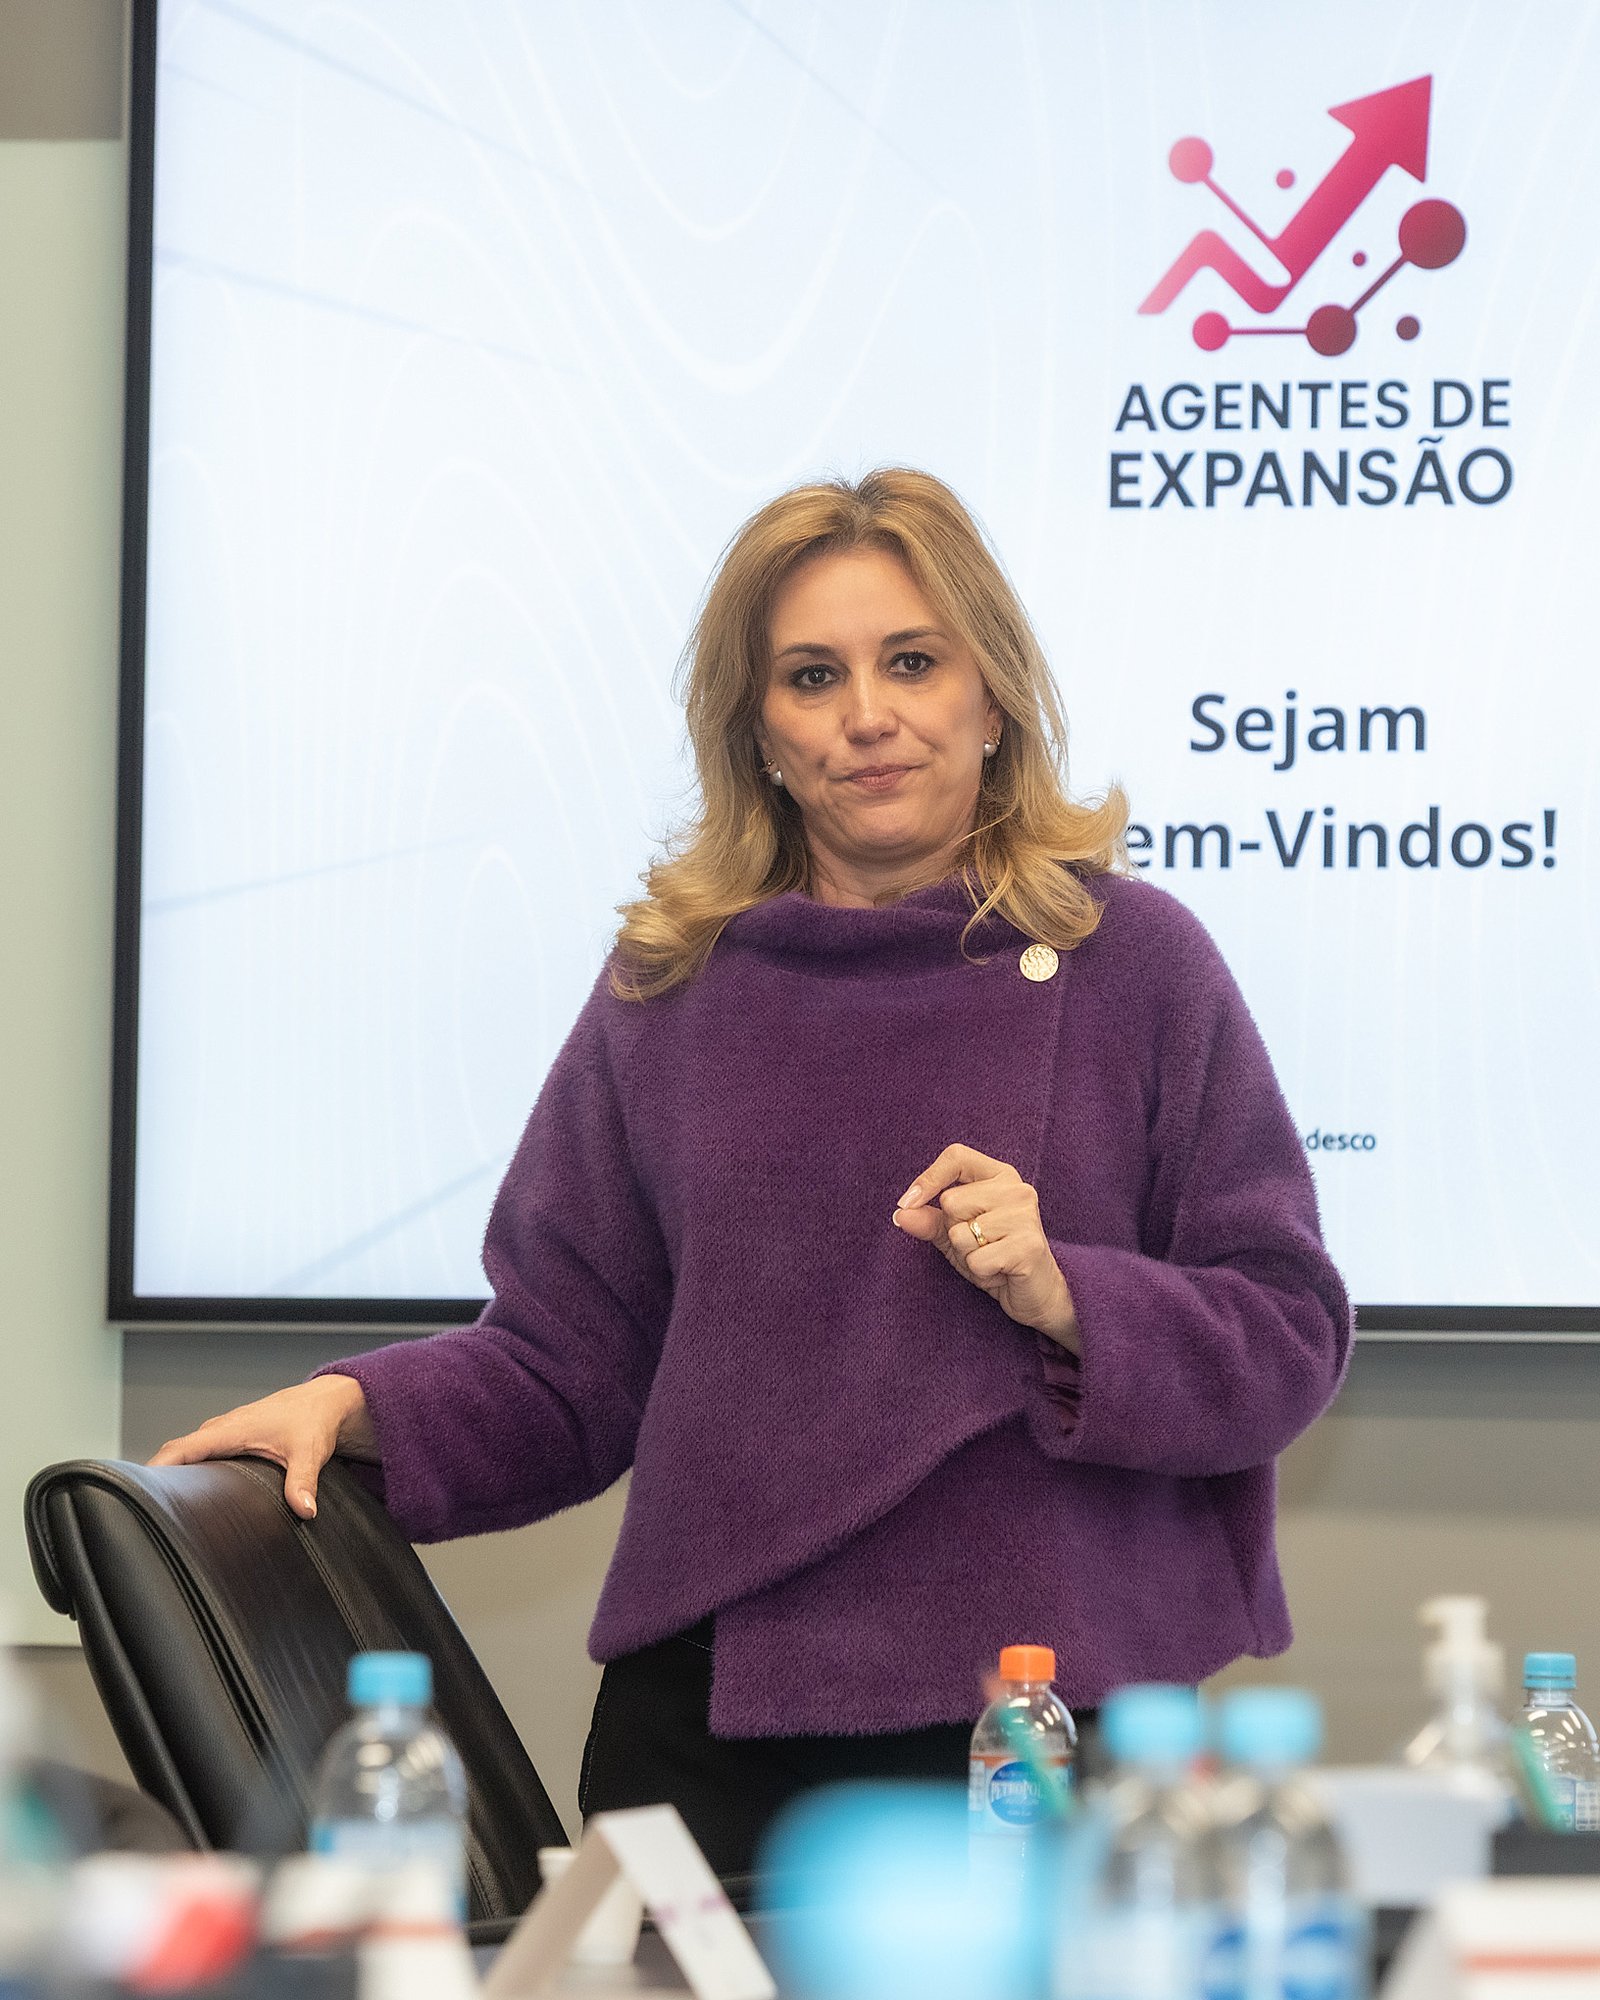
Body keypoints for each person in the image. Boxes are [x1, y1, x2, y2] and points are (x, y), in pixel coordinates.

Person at [152, 467, 1353, 1877]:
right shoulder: (671, 988)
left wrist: (1067, 1296)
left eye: (914, 661)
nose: (868, 715)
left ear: (994, 698)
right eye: (811, 677)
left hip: (1038, 1724)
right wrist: (353, 1405)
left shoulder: (1135, 962)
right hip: (716, 1725)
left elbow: (1287, 1335)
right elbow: (565, 1368)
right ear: (759, 734)